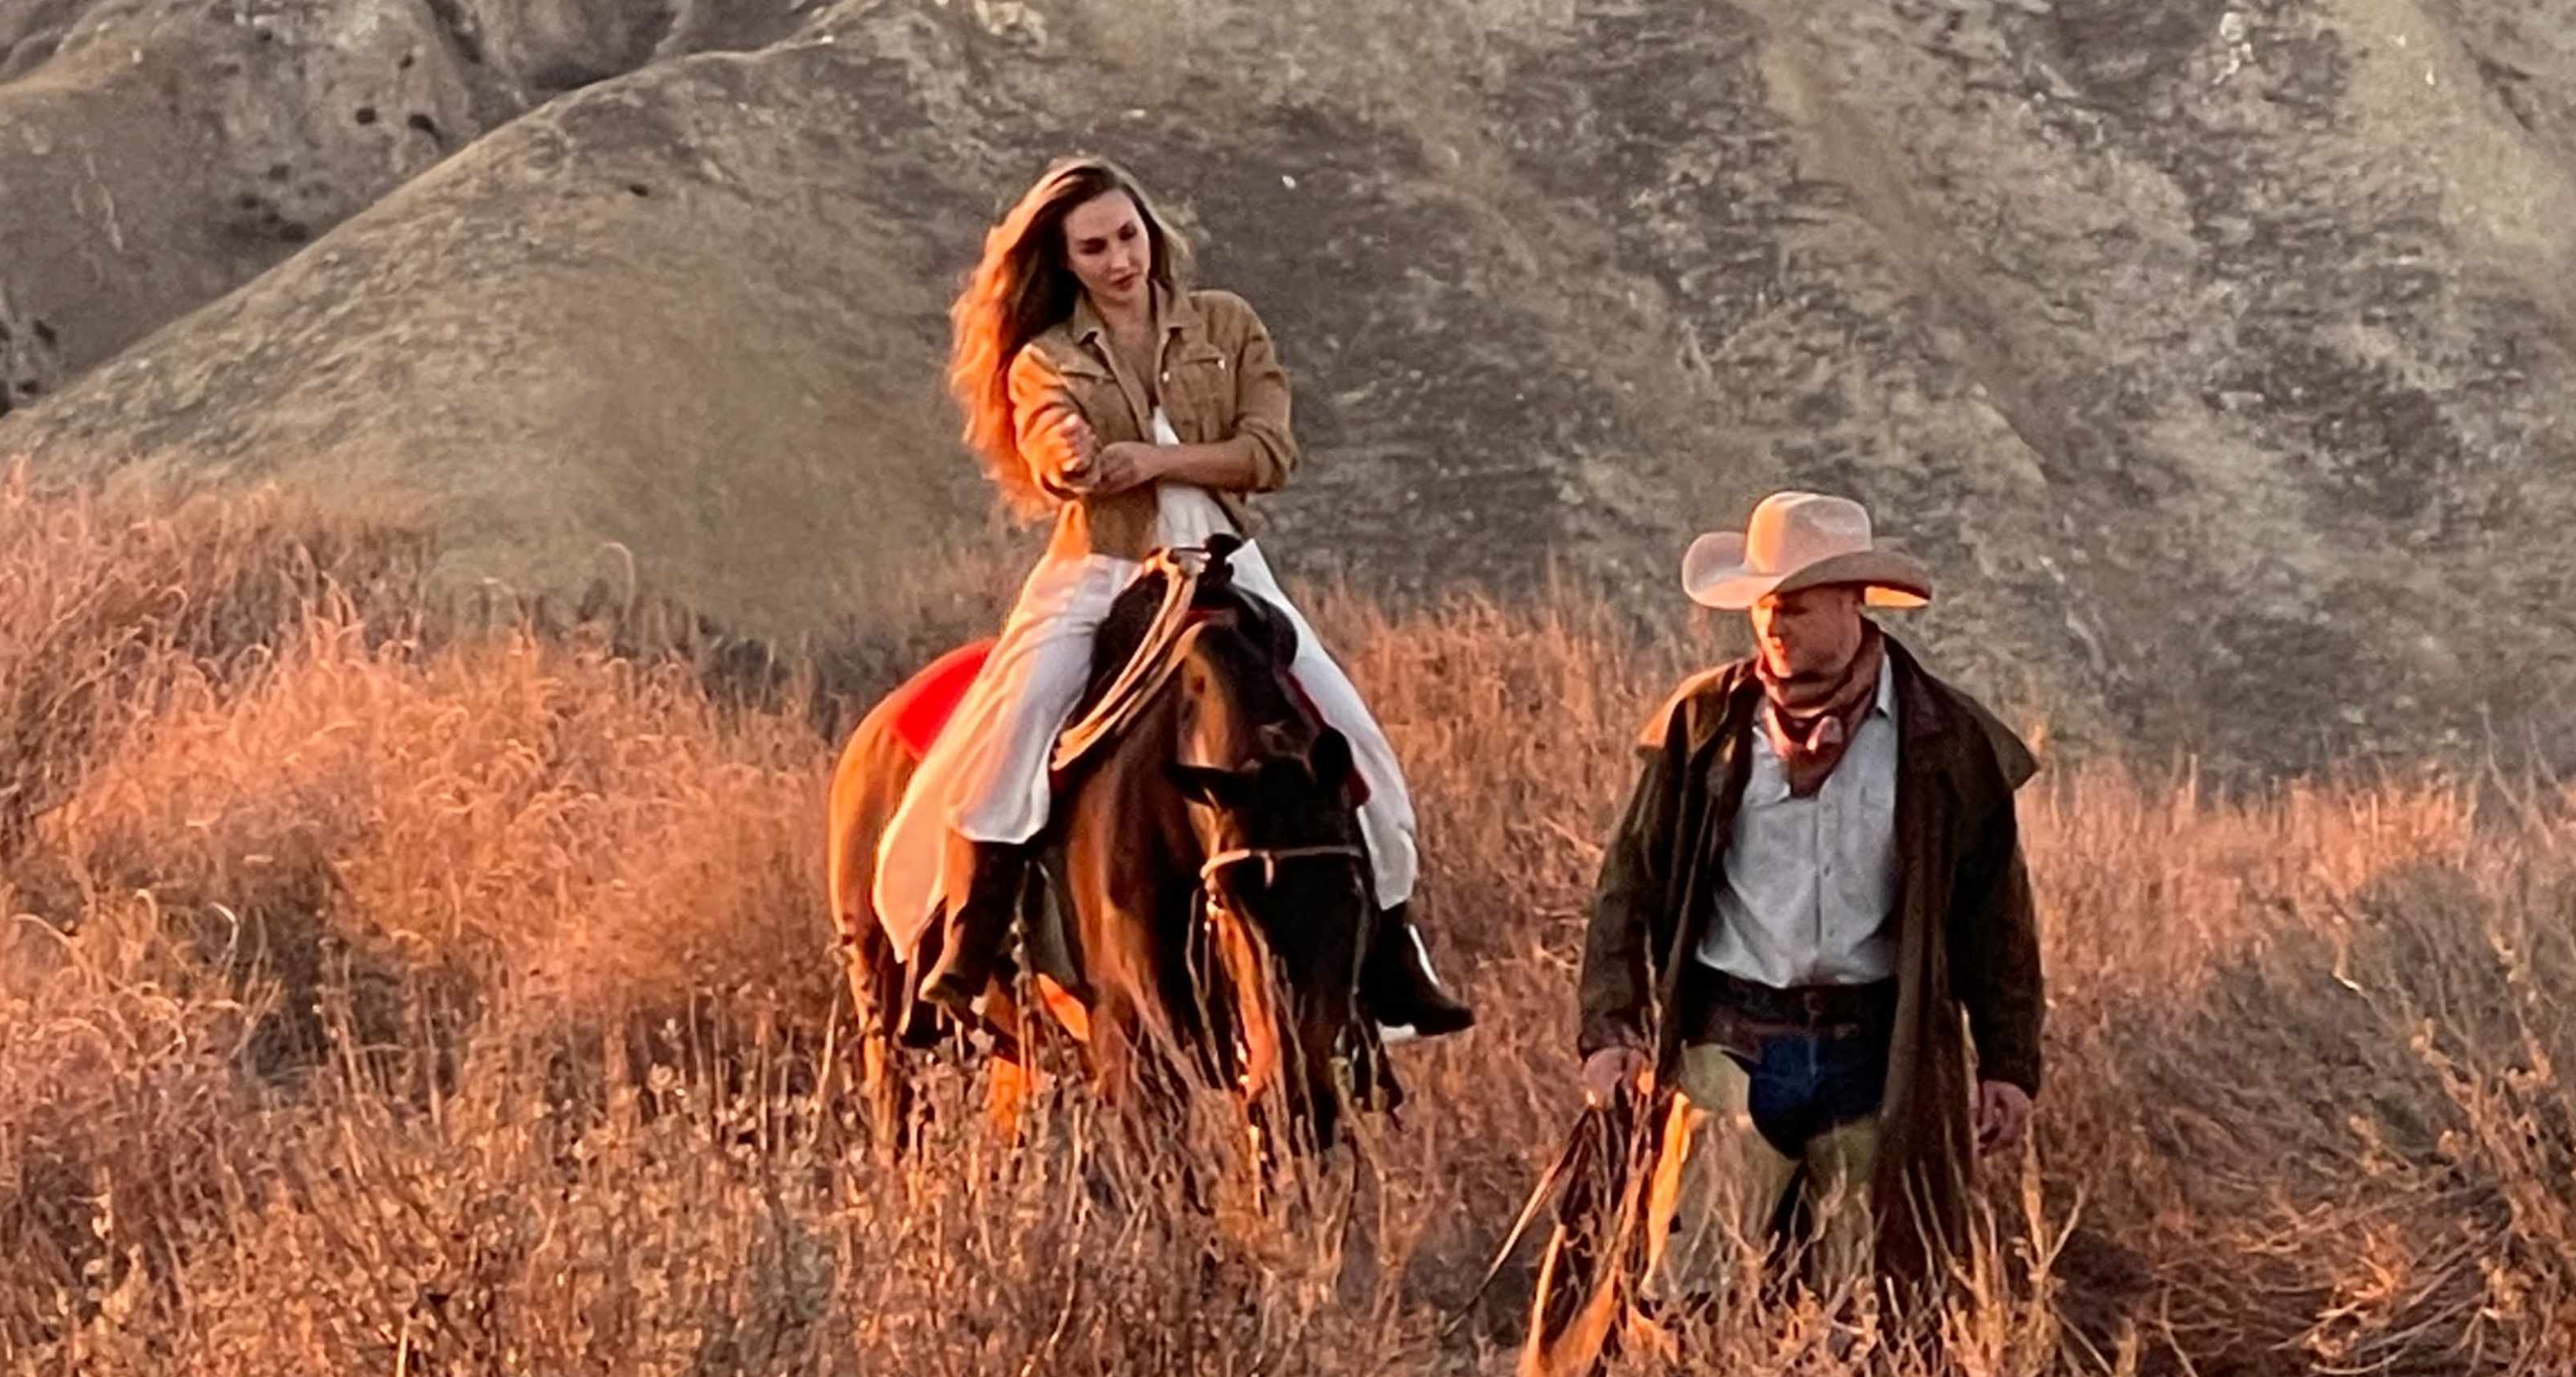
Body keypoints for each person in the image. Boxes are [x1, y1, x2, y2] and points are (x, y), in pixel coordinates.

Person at [874, 154, 1471, 1042]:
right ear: (1064, 261)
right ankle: (969, 939)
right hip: (1101, 572)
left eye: (1127, 235)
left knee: (1361, 753)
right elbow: (1049, 443)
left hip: (1228, 565)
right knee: (1011, 731)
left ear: (1149, 230)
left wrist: (1154, 460)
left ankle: (1389, 953)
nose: (1120, 260)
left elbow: (1268, 452)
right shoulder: (1046, 357)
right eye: (1094, 248)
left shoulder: (1227, 326)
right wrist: (1071, 453)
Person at [1575, 489, 2041, 1308]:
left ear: (1852, 603)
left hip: (1877, 1052)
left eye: (1792, 607)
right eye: (1762, 608)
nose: (1772, 628)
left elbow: (1994, 917)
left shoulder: (1946, 738)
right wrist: (1611, 1025)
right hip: (1732, 1041)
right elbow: (1629, 885)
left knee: (1871, 1306)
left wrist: (2008, 1063)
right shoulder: (1706, 722)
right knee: (1683, 1291)